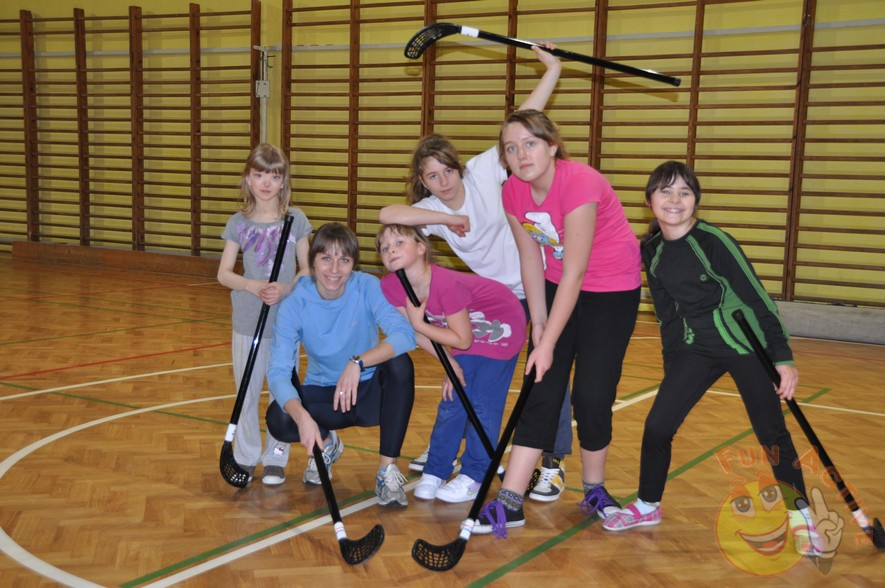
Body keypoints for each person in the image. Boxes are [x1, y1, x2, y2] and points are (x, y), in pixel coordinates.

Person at [378, 43, 573, 503]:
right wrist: (447, 219)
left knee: (547, 369)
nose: (443, 182)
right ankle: (459, 447)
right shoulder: (430, 210)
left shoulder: (485, 170)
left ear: (458, 166)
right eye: (432, 176)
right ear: (422, 181)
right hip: (495, 301)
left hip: (538, 284)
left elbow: (526, 119)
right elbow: (388, 214)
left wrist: (552, 69)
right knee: (472, 375)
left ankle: (552, 460)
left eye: (447, 171)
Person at [600, 161, 823, 555]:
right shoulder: (651, 251)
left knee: (771, 433)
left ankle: (801, 515)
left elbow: (758, 297)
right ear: (649, 199)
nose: (675, 199)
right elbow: (667, 316)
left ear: (696, 201)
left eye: (684, 192)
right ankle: (648, 504)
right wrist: (674, 367)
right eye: (666, 191)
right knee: (658, 426)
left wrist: (782, 357)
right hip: (696, 348)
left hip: (746, 345)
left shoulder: (715, 241)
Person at [474, 110, 642, 537]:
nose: (521, 154)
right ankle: (510, 501)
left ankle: (595, 488)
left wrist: (548, 342)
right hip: (555, 283)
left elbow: (576, 271)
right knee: (541, 385)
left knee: (591, 394)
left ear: (551, 146)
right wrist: (539, 323)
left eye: (530, 144)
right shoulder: (512, 191)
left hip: (611, 289)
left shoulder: (580, 181)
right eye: (511, 148)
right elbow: (531, 258)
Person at [264, 222, 417, 508]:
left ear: (354, 264)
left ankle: (387, 470)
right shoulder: (295, 303)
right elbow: (278, 372)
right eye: (326, 258)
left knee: (399, 364)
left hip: (369, 393)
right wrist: (302, 417)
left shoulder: (367, 286)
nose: (334, 270)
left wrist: (358, 362)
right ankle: (326, 444)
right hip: (327, 397)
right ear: (312, 261)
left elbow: (405, 335)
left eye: (344, 260)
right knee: (279, 418)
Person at [376, 224, 526, 503]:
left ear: (421, 248)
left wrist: (422, 324)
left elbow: (462, 340)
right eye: (384, 247)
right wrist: (449, 364)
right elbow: (414, 332)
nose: (390, 250)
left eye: (398, 242)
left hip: (500, 323)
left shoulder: (445, 285)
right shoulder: (391, 285)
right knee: (453, 397)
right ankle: (437, 469)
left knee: (482, 402)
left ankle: (475, 475)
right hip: (465, 330)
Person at [218, 143, 313, 486]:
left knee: (282, 391)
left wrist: (286, 289)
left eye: (274, 176)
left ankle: (276, 456)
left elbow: (307, 269)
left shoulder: (296, 220)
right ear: (248, 178)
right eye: (259, 175)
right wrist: (251, 285)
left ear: (284, 181)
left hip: (285, 323)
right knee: (246, 390)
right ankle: (245, 455)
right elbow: (223, 273)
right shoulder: (238, 222)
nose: (266, 183)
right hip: (248, 320)